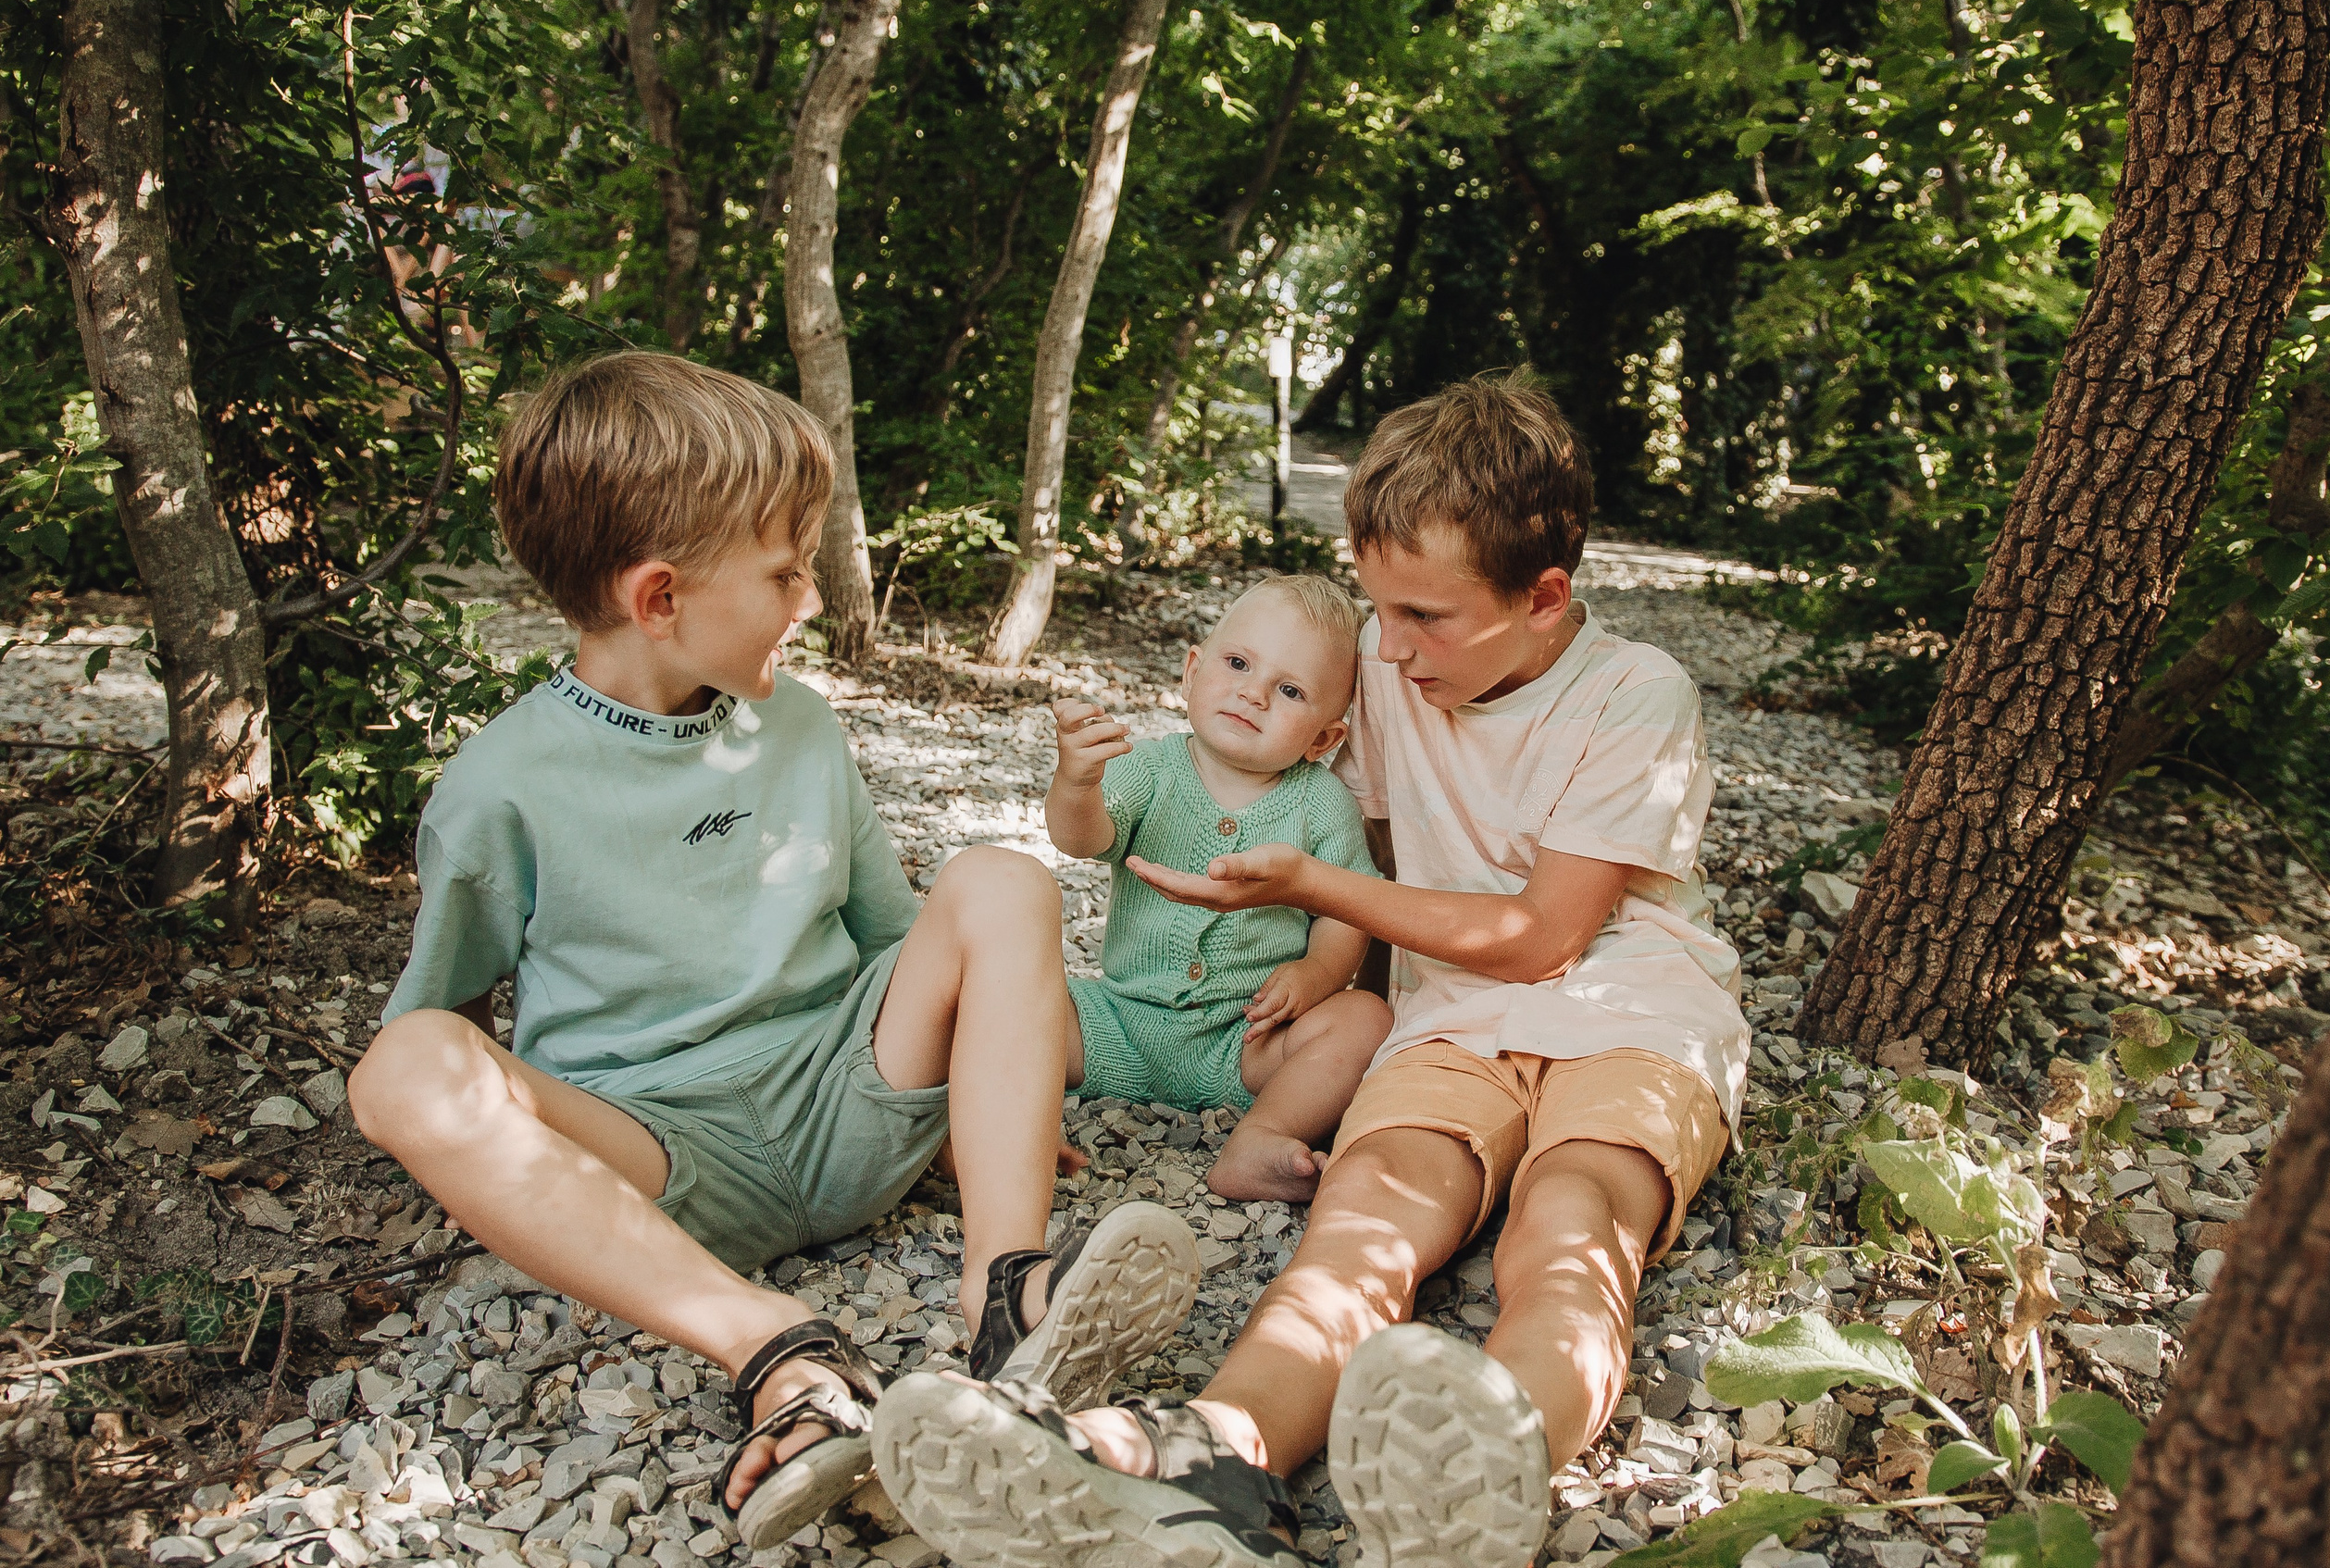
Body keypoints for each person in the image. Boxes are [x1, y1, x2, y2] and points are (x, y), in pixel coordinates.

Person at [870, 371, 1750, 1568]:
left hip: (1634, 1009)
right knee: (1367, 1206)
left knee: (1572, 1214)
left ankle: (1494, 1453)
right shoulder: (1390, 670)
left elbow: (1542, 933)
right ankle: (1217, 1454)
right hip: (1449, 1012)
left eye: (1424, 617)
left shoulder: (1636, 692)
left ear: (1545, 595)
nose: (1388, 647)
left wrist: (1311, 893)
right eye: (1378, 609)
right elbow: (1342, 826)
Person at [350, 352, 1201, 1551]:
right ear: (662, 598)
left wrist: (993, 1091)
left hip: (851, 1100)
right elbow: (440, 1036)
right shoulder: (498, 788)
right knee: (399, 1065)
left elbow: (900, 940)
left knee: (999, 874)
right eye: (786, 569)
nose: (810, 596)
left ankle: (1008, 1294)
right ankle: (780, 1350)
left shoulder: (798, 723)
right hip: (658, 1165)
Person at [1045, 576, 1393, 1203]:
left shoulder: (1321, 802)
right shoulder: (1149, 767)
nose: (1252, 693)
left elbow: (1348, 904)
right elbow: (1085, 838)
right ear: (1192, 671)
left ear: (1323, 737)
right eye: (1237, 663)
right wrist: (1076, 782)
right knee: (1016, 994)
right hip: (1117, 1022)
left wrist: (1316, 974)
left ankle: (1263, 1134)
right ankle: (1016, 1119)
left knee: (1364, 1017)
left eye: (1289, 690)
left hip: (1246, 1042)